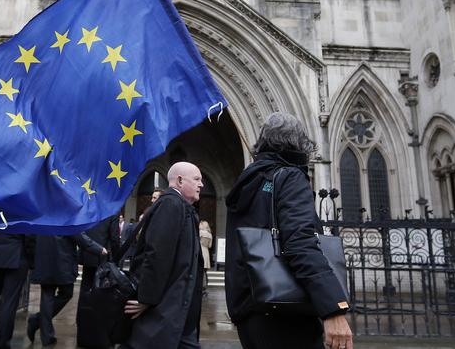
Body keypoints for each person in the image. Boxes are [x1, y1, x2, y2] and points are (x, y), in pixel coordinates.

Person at [225, 112, 353, 349]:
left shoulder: (247, 183)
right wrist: (332, 308)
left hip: (252, 311)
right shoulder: (290, 177)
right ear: (300, 144)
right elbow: (300, 243)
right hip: (286, 313)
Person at [121, 162, 204, 349]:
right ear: (180, 181)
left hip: (178, 310)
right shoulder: (170, 204)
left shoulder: (181, 206)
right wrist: (146, 299)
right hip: (166, 309)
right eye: (197, 179)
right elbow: (157, 255)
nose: (202, 185)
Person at [28, 233, 106, 346]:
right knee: (66, 294)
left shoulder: (42, 215)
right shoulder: (66, 215)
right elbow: (79, 236)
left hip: (44, 259)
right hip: (62, 260)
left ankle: (44, 333)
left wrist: (33, 258)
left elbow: (31, 237)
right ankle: (38, 323)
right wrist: (99, 249)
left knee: (47, 296)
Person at [76, 215, 120, 346]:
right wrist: (116, 258)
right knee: (102, 296)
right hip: (103, 257)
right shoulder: (112, 210)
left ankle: (82, 327)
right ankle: (97, 331)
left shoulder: (91, 205)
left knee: (85, 293)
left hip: (88, 254)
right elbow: (114, 237)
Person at [198, 220, 212, 295]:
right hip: (206, 253)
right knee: (205, 271)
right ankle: (205, 286)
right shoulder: (209, 235)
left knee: (200, 271)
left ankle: (202, 286)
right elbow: (210, 246)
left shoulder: (200, 233)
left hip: (201, 251)